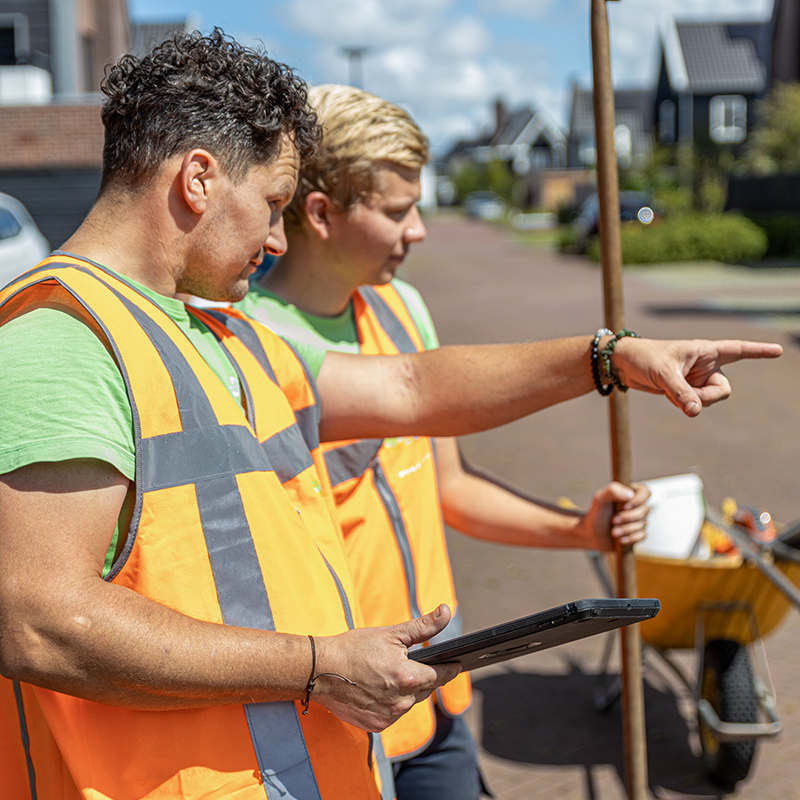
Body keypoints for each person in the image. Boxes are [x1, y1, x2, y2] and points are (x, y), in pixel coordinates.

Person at [0, 30, 782, 800]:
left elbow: (410, 387)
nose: (277, 237)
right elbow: (38, 620)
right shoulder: (61, 342)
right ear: (198, 178)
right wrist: (316, 665)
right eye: (272, 205)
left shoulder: (205, 330)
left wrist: (608, 360)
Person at [232, 84, 642, 797]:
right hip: (338, 717)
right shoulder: (251, 346)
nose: (418, 229)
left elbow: (446, 486)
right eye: (397, 211)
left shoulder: (399, 309)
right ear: (321, 213)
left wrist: (579, 530)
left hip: (437, 695)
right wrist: (603, 359)